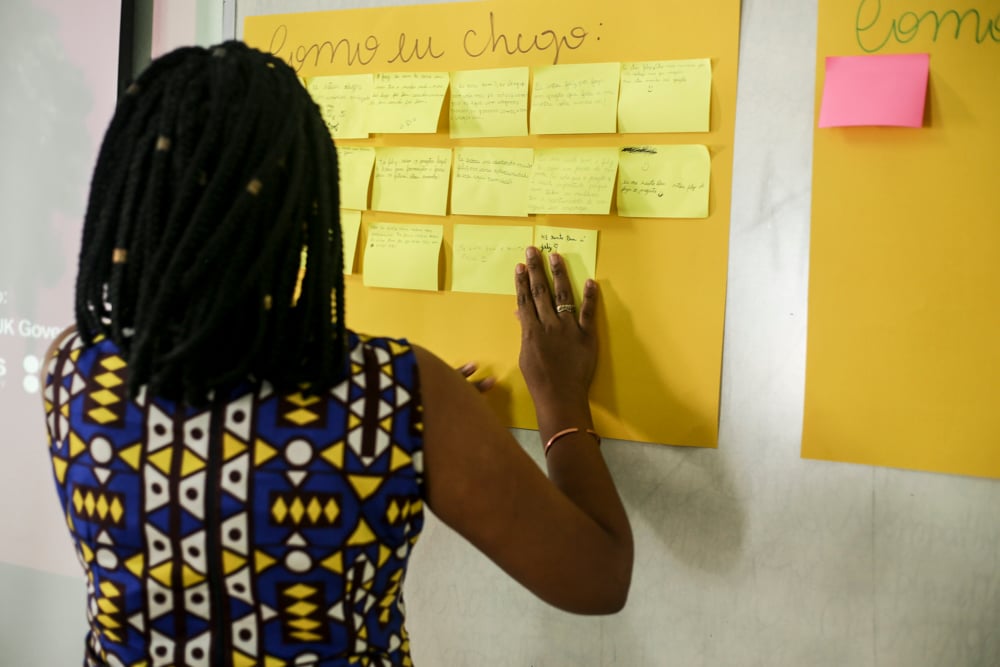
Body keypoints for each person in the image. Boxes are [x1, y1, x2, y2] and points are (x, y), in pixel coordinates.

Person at [42, 42, 632, 667]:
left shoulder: (72, 371)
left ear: (126, 194)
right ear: (304, 209)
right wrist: (558, 400)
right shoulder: (397, 395)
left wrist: (413, 415)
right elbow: (599, 578)